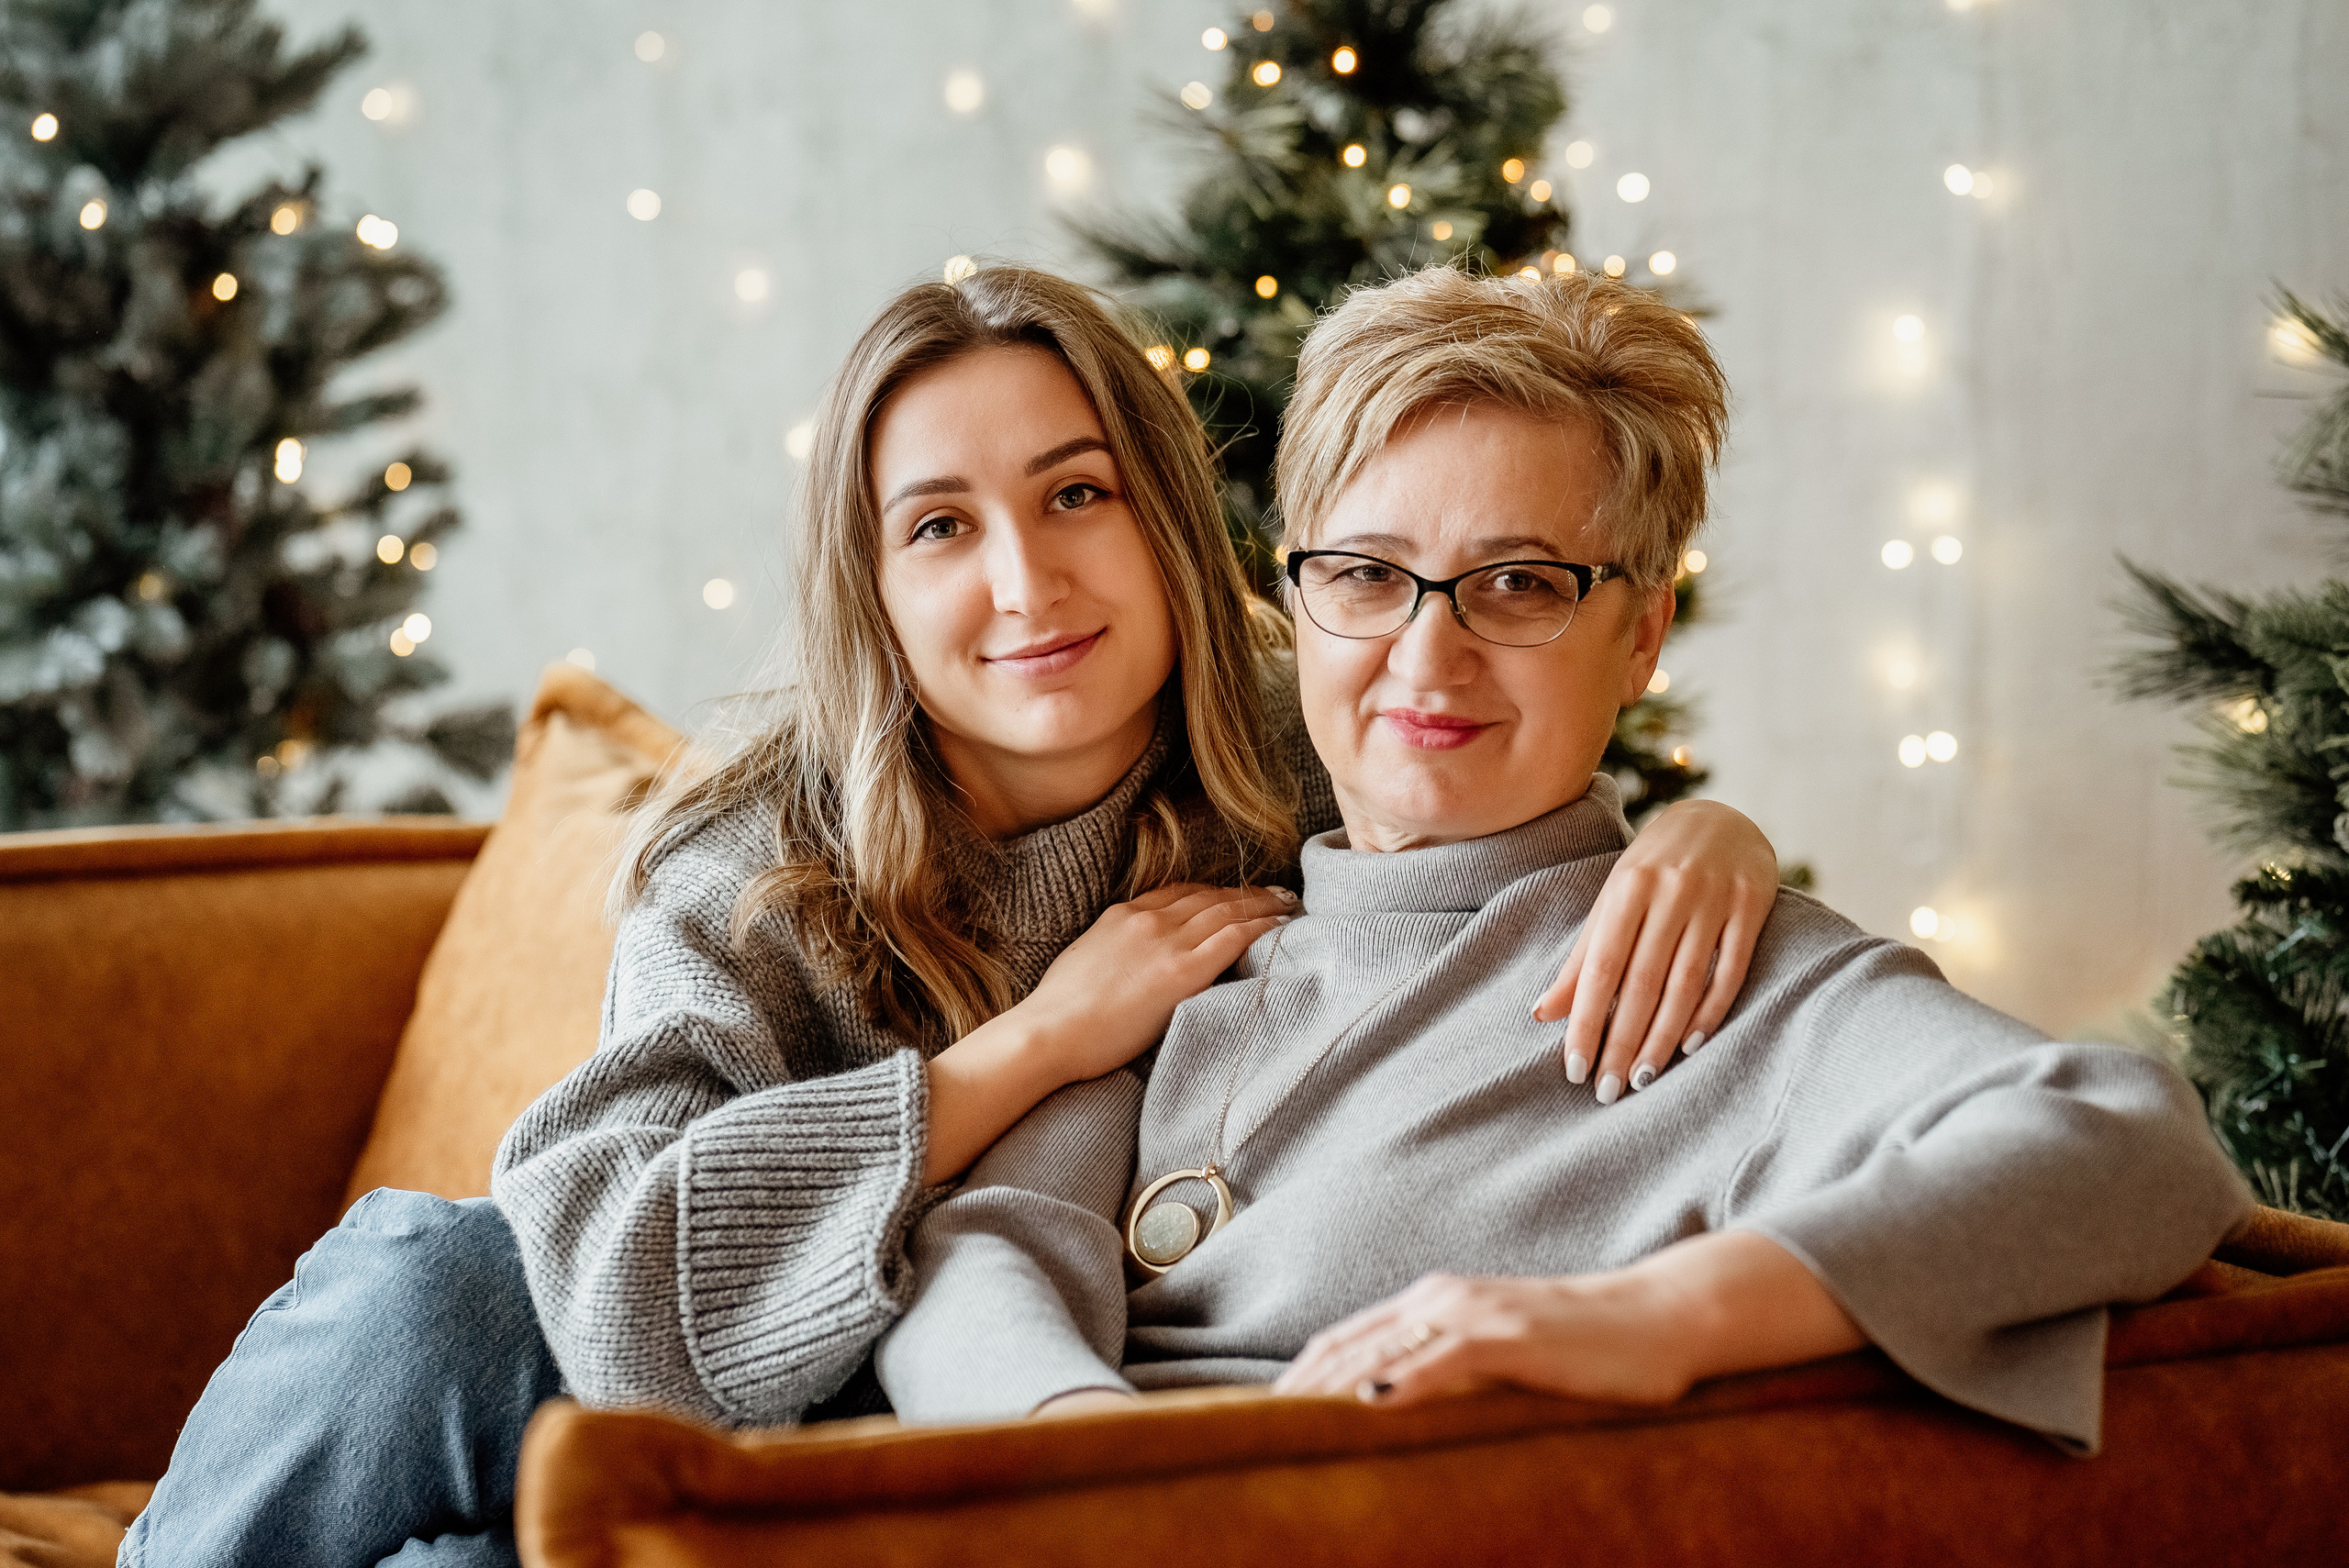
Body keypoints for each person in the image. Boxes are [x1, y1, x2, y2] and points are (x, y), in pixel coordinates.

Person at [122, 266, 1782, 1567]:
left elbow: (1516, 852)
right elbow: (613, 1300)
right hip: (692, 1407)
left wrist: (1715, 832)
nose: (1025, 585)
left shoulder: (1301, 742)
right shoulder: (748, 851)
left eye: (1076, 496)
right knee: (441, 1282)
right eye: (941, 528)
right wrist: (1036, 1045)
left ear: (1167, 519)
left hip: (978, 1446)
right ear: (878, 588)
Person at [872, 263, 2254, 1455]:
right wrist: (1101, 1466)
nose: (1429, 653)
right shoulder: (1191, 947)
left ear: (1642, 636)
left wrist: (1652, 1316)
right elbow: (980, 1246)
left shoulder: (1726, 977)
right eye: (1364, 573)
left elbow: (2127, 1146)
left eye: (1521, 582)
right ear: (1293, 591)